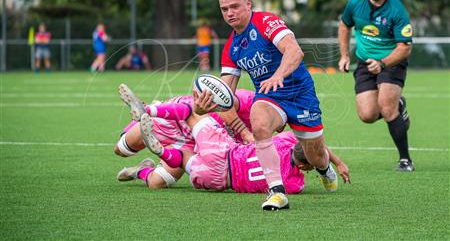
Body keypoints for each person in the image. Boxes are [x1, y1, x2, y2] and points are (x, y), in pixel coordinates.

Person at [194, 0, 337, 210]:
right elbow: (226, 93)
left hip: (301, 94)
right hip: (270, 97)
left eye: (235, 6)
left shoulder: (266, 22)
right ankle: (277, 192)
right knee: (259, 124)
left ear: (248, 4)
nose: (229, 13)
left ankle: (324, 169)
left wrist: (278, 75)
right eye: (224, 9)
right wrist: (204, 106)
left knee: (316, 156)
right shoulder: (231, 47)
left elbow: (294, 51)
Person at [116, 88, 350, 196]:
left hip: (212, 147)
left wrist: (336, 163)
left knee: (158, 182)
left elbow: (307, 141)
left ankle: (143, 169)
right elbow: (222, 103)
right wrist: (245, 133)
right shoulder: (251, 101)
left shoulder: (280, 137)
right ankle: (148, 110)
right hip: (187, 132)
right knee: (122, 149)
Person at [337, 0, 414, 171]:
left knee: (387, 107)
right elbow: (345, 26)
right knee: (367, 115)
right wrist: (345, 55)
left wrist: (383, 63)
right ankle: (400, 106)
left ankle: (405, 160)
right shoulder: (355, 3)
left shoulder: (396, 10)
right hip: (364, 62)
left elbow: (405, 47)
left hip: (391, 62)